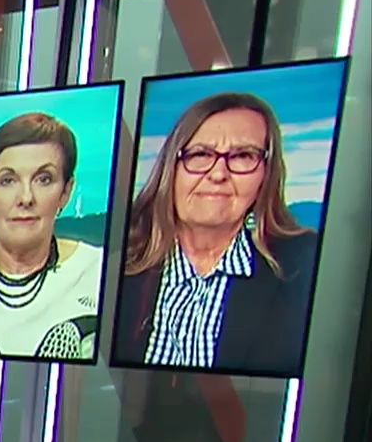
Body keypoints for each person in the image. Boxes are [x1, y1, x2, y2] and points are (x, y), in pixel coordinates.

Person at [112, 92, 319, 376]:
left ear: (266, 175)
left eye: (243, 156)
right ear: (171, 168)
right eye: (201, 154)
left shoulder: (306, 265)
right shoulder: (115, 263)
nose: (218, 174)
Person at [0, 112, 105, 360]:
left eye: (44, 179)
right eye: (8, 180)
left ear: (66, 192)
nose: (26, 198)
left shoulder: (99, 272)